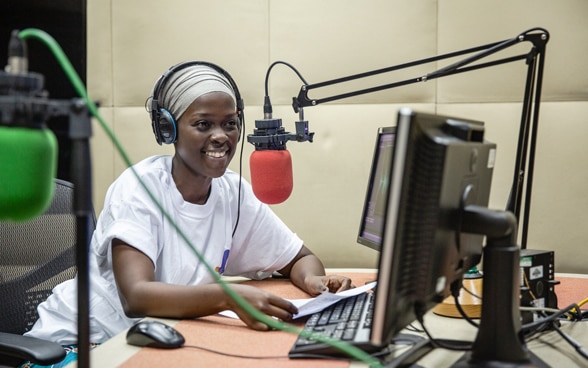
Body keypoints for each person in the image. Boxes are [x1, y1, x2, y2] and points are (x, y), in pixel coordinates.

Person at [24, 62, 353, 362]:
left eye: (230, 123)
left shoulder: (232, 194)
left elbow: (298, 258)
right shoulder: (139, 189)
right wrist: (228, 297)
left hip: (146, 344)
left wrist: (314, 282)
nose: (221, 136)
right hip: (76, 347)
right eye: (203, 124)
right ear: (168, 129)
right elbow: (137, 297)